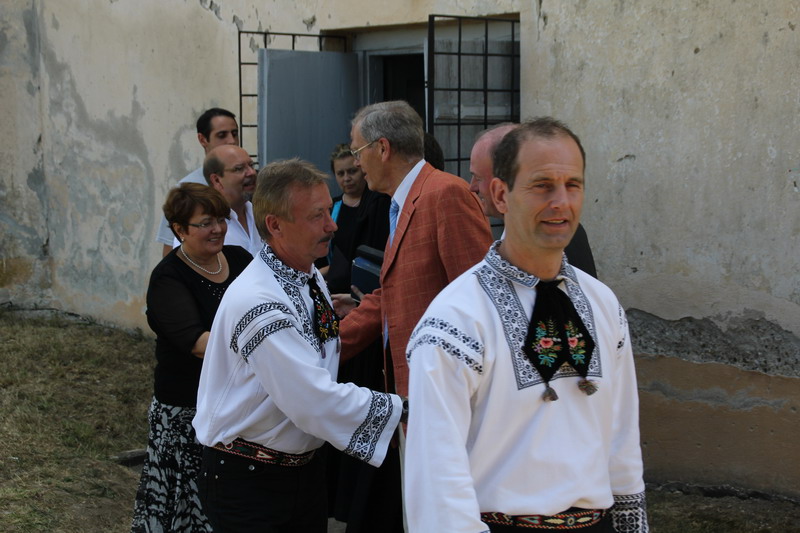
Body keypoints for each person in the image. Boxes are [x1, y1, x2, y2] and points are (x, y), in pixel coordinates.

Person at [404, 118, 648, 532]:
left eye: (573, 185)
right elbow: (437, 471)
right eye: (542, 185)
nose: (561, 202)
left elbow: (622, 435)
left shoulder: (602, 302)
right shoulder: (456, 317)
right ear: (501, 194)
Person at [193, 158, 404, 533]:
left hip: (299, 472)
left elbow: (323, 346)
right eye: (316, 216)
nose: (332, 225)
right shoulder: (260, 302)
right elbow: (312, 399)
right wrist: (403, 409)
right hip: (250, 481)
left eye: (327, 211)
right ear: (275, 225)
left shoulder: (307, 276)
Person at [132, 183, 253, 532]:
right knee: (187, 506)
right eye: (205, 223)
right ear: (179, 230)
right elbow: (199, 343)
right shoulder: (168, 277)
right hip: (187, 412)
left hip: (235, 404)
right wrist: (261, 345)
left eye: (221, 220)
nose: (217, 229)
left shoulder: (240, 259)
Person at [470, 123, 598, 277]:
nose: (472, 187)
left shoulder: (559, 236)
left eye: (478, 178)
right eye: (542, 185)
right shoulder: (465, 292)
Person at [155, 108, 239, 257]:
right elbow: (170, 251)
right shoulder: (186, 189)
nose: (231, 141)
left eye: (234, 133)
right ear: (202, 139)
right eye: (222, 135)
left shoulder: (249, 184)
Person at [324, 143, 390, 294]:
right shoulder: (331, 208)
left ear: (362, 168)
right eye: (340, 174)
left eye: (352, 171)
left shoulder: (378, 203)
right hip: (336, 288)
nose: (347, 178)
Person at [176, 144, 262, 257]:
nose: (251, 172)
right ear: (216, 180)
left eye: (251, 165)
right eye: (239, 168)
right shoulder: (196, 227)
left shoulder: (261, 213)